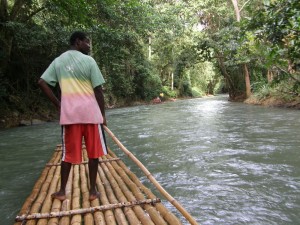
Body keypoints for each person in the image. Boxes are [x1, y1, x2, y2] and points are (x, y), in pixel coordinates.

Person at [38, 31, 107, 201]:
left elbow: (42, 82)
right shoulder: (89, 61)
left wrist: (59, 105)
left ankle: (62, 192)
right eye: (87, 42)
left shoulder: (58, 61)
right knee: (93, 154)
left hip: (70, 116)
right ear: (78, 42)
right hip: (91, 115)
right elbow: (98, 90)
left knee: (67, 154)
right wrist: (103, 116)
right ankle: (92, 191)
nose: (89, 46)